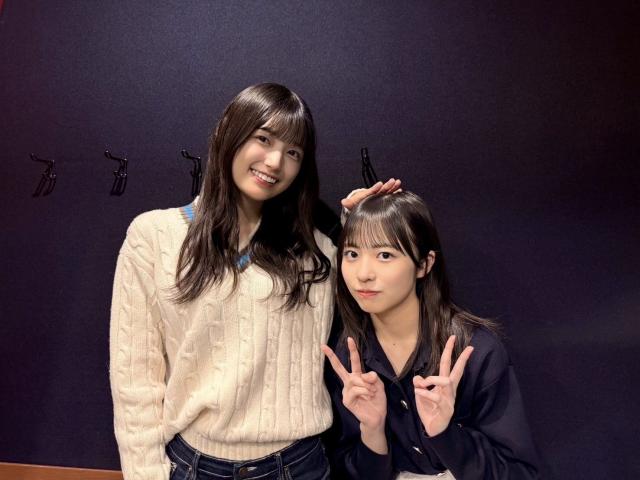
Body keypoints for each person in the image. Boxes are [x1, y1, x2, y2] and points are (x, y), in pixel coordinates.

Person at [110, 82, 399, 480]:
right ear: (229, 132)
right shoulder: (154, 237)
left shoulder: (318, 248)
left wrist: (360, 231)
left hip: (299, 465)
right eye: (263, 139)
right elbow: (135, 382)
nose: (275, 161)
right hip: (195, 467)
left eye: (293, 153)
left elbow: (374, 294)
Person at [322, 191, 540, 479]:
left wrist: (445, 433)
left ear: (424, 264)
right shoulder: (345, 357)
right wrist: (372, 431)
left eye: (385, 255)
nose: (363, 274)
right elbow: (345, 469)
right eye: (352, 254)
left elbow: (519, 473)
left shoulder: (475, 351)